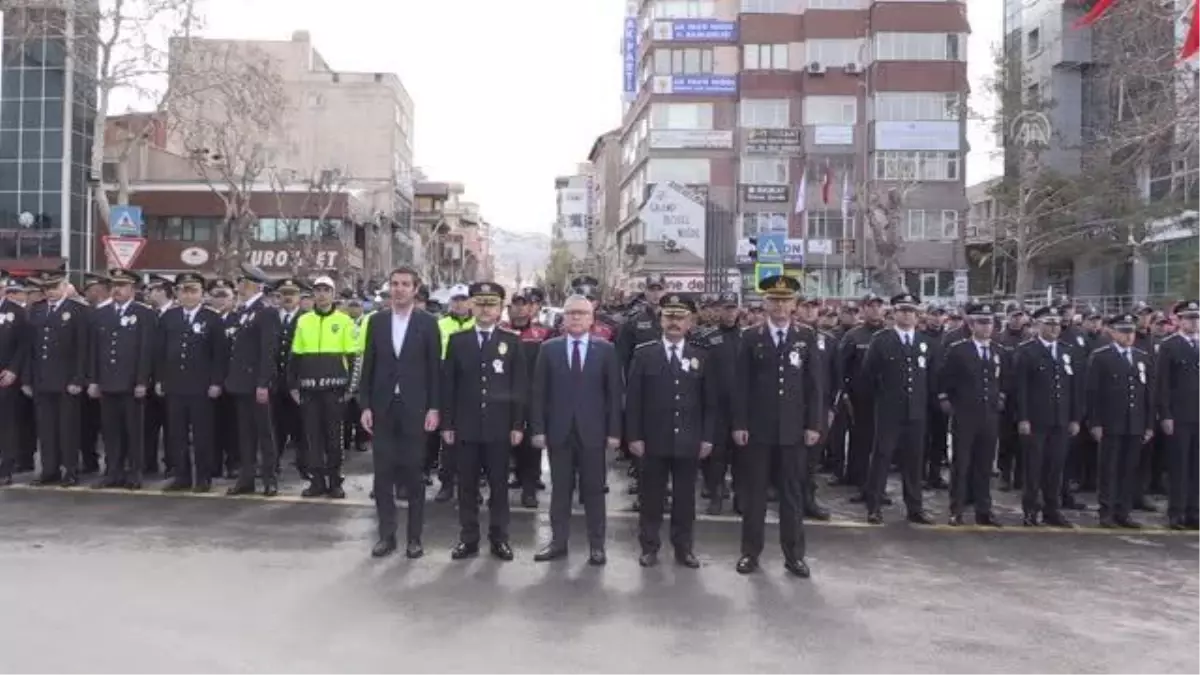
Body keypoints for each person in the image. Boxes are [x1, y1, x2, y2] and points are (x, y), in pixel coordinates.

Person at [730, 275, 821, 578]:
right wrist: (739, 423)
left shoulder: (806, 337)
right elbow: (740, 385)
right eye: (774, 300)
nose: (780, 305)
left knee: (792, 496)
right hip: (758, 430)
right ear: (765, 303)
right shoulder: (750, 336)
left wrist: (813, 424)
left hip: (793, 431)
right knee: (754, 496)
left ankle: (794, 555)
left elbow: (814, 387)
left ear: (794, 304)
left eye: (785, 300)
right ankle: (750, 553)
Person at [529, 294, 622, 565]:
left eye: (582, 313)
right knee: (560, 491)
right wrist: (538, 429)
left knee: (594, 491)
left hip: (593, 432)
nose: (576, 318)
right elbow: (538, 393)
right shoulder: (549, 349)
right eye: (571, 313)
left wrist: (614, 432)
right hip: (559, 432)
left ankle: (596, 545)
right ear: (563, 319)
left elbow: (614, 394)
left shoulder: (605, 350)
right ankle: (558, 542)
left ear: (592, 318)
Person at [625, 294, 716, 569]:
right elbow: (634, 400)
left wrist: (708, 437)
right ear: (660, 320)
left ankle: (684, 547)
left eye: (680, 317)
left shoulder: (701, 356)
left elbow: (710, 403)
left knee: (685, 499)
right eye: (669, 317)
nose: (674, 323)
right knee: (651, 497)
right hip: (653, 438)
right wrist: (635, 436)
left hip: (689, 438)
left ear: (690, 322)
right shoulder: (644, 353)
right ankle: (649, 546)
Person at [358, 266, 442, 559]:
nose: (399, 289)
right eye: (394, 284)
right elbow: (368, 364)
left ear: (415, 288)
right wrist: (365, 404)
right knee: (382, 475)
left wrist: (434, 407)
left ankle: (414, 538)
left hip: (415, 409)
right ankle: (386, 535)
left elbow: (435, 369)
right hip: (383, 408)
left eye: (405, 284)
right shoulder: (377, 322)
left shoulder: (428, 323)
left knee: (414, 474)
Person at [441, 282, 527, 561]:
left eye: (491, 304)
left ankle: (499, 538)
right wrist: (448, 424)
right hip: (465, 427)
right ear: (471, 306)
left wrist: (517, 425)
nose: (485, 309)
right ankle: (468, 539)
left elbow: (519, 387)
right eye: (480, 303)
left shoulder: (512, 342)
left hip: (499, 428)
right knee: (466, 487)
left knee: (499, 486)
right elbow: (449, 386)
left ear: (501, 308)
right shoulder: (458, 341)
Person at [861, 292, 939, 525]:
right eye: (902, 310)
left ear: (917, 315)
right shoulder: (881, 340)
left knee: (914, 460)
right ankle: (874, 506)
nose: (907, 315)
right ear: (893, 313)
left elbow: (932, 379)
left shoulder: (926, 342)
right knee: (882, 458)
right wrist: (882, 399)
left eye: (911, 311)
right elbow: (868, 375)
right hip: (889, 410)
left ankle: (915, 507)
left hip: (916, 411)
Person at [155, 272, 226, 492]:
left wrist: (216, 382)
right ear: (177, 293)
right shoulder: (169, 317)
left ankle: (203, 477)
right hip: (175, 385)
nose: (188, 295)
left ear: (202, 294)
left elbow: (220, 355)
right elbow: (159, 352)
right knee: (176, 434)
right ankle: (182, 476)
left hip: (201, 386)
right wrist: (159, 379)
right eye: (184, 290)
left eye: (193, 290)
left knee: (203, 434)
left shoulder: (212, 318)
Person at [1012, 305, 1081, 527]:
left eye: (1057, 324)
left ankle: (1052, 510)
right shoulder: (1027, 351)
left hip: (1060, 419)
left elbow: (1074, 388)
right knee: (1034, 467)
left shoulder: (1066, 351)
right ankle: (1030, 509)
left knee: (1056, 468)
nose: (1054, 328)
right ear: (1037, 326)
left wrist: (1075, 418)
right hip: (1036, 420)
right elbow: (1020, 388)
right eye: (1048, 324)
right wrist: (1023, 418)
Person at [86, 269, 156, 490]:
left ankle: (134, 472)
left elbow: (146, 350)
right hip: (107, 382)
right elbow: (94, 350)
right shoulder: (101, 314)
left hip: (131, 383)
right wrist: (94, 380)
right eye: (114, 285)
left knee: (133, 430)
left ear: (132, 289)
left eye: (122, 285)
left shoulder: (144, 313)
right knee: (110, 430)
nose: (117, 289)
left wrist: (142, 381)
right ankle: (112, 471)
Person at [289, 275, 357, 499]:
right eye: (318, 290)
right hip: (309, 388)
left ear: (333, 294)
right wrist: (293, 385)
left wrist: (351, 387)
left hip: (335, 389)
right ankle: (316, 481)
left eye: (326, 290)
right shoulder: (304, 320)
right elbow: (295, 356)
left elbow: (353, 356)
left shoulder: (344, 321)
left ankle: (335, 481)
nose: (321, 294)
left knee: (333, 437)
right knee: (312, 437)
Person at [938, 302, 1006, 527]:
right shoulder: (959, 350)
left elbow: (1004, 380)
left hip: (989, 415)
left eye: (990, 323)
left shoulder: (998, 351)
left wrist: (1001, 398)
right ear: (971, 324)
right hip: (966, 414)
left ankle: (983, 509)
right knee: (962, 463)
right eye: (981, 322)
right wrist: (947, 401)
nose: (987, 327)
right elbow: (945, 379)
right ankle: (956, 509)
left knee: (985, 465)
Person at [1085, 313, 1155, 528]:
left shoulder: (1141, 357)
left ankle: (1124, 512)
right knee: (1109, 469)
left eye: (1131, 332)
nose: (1128, 336)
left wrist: (1149, 424)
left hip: (1134, 423)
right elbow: (1092, 393)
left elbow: (1148, 394)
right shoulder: (1101, 357)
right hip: (1111, 422)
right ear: (1113, 332)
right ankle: (1106, 512)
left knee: (1129, 469)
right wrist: (1095, 422)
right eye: (1124, 332)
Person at [24, 266, 89, 487]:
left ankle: (70, 469)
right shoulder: (37, 310)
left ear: (64, 286)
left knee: (67, 428)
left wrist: (78, 378)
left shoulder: (77, 310)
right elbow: (30, 348)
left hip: (66, 380)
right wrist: (27, 379)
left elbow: (82, 348)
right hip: (42, 379)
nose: (50, 292)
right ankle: (49, 469)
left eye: (54, 287)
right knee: (46, 428)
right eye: (46, 288)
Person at [224, 264, 283, 497]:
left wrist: (263, 383)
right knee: (245, 434)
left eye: (244, 282)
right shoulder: (241, 313)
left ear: (256, 286)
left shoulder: (266, 312)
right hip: (240, 382)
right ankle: (246, 478)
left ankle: (269, 478)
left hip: (257, 383)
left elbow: (268, 351)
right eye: (240, 282)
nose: (240, 286)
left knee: (265, 433)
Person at [500, 287, 553, 508]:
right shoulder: (501, 332)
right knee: (507, 444)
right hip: (504, 397)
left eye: (525, 305)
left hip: (532, 397)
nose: (520, 309)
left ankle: (529, 489)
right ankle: (513, 477)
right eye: (516, 305)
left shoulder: (543, 334)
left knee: (532, 445)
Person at [1154, 300, 1200, 530]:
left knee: (1197, 467)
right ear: (1179, 321)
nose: (1194, 322)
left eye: (1197, 318)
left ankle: (1195, 511)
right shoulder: (1169, 346)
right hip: (1179, 416)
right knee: (1179, 466)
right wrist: (1165, 414)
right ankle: (1177, 512)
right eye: (1189, 318)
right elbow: (1161, 384)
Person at [434, 283, 476, 502]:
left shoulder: (478, 324)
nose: (460, 303)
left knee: (473, 441)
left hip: (473, 387)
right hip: (447, 386)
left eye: (463, 299)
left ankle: (471, 486)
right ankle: (447, 484)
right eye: (456, 300)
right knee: (448, 439)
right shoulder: (439, 325)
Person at [273, 278, 307, 478]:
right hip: (275, 382)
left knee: (300, 427)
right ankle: (272, 463)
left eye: (292, 294)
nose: (287, 298)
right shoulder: (271, 317)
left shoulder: (306, 318)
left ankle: (304, 465)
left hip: (297, 383)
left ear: (299, 297)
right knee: (274, 426)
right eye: (284, 294)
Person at [0, 275, 29, 484]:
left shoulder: (17, 312)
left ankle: (5, 468)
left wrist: (13, 370)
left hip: (5, 376)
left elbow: (24, 345)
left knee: (6, 423)